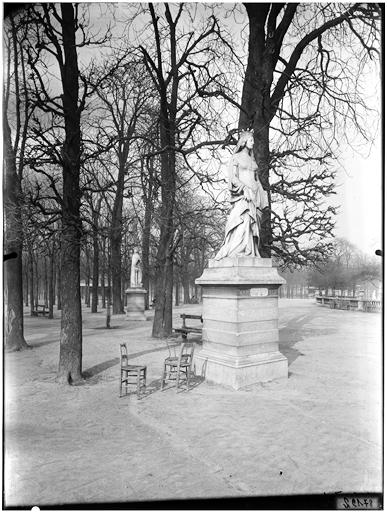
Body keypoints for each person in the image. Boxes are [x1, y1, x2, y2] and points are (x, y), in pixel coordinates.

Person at [215, 130, 269, 260]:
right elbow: (233, 177)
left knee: (252, 226)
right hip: (243, 195)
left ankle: (250, 250)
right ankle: (237, 250)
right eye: (251, 140)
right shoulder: (236, 157)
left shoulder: (252, 159)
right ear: (244, 142)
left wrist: (263, 198)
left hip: (255, 196)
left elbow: (257, 180)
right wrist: (244, 188)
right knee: (241, 222)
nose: (253, 143)